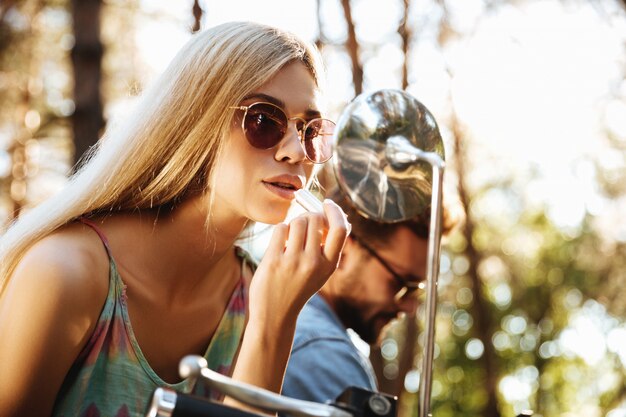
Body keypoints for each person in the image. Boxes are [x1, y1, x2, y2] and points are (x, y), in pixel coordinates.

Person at [0, 21, 350, 417]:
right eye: (264, 120)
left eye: (311, 130)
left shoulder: (258, 296)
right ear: (197, 119)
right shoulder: (64, 273)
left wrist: (273, 322)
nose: (295, 152)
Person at [282, 186, 455, 404]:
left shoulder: (292, 330)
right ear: (342, 250)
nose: (409, 307)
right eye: (401, 284)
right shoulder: (323, 353)